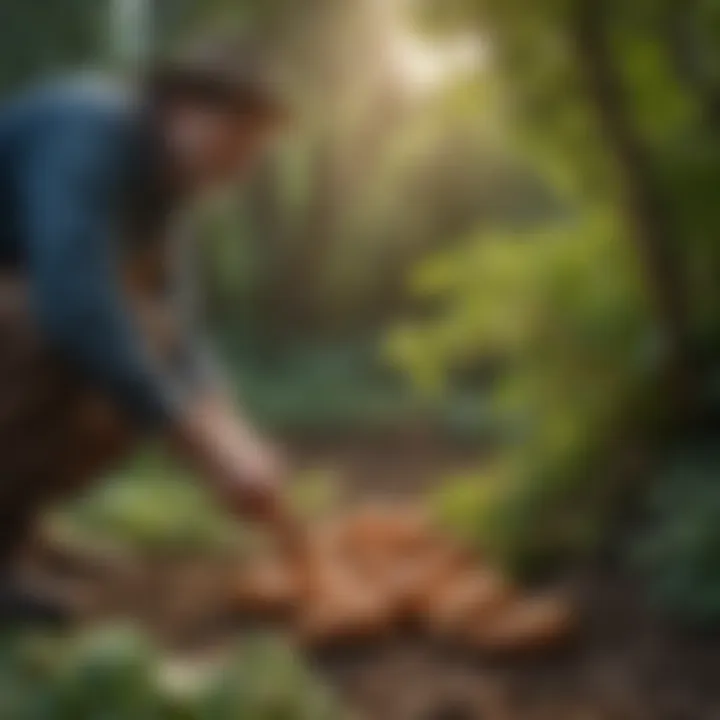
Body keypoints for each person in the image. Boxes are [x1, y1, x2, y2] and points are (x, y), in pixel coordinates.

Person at [0, 39, 291, 621]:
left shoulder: (166, 192)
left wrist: (229, 432)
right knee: (52, 334)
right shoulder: (89, 132)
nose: (243, 160)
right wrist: (193, 433)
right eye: (236, 133)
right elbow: (73, 297)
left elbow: (180, 328)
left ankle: (14, 534)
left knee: (140, 364)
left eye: (255, 145)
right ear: (178, 107)